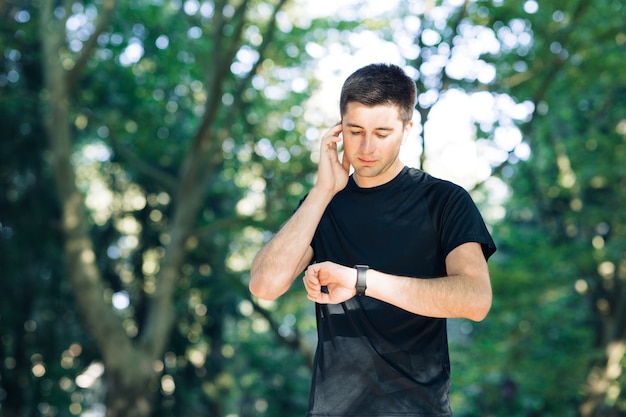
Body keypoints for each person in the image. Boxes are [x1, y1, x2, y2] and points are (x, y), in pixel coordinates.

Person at [249, 63, 496, 416]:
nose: (366, 147)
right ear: (338, 132)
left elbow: (475, 299)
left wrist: (359, 280)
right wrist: (322, 192)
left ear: (407, 129)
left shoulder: (445, 201)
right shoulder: (322, 206)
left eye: (382, 133)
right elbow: (265, 285)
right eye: (355, 131)